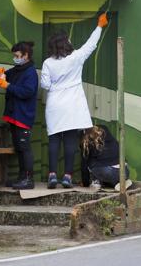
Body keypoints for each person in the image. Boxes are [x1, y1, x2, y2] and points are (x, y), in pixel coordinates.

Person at [40, 12, 108, 189]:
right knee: (70, 141)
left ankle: (52, 175)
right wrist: (99, 26)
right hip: (72, 105)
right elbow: (90, 45)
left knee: (54, 140)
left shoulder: (48, 63)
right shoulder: (76, 57)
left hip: (55, 104)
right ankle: (68, 177)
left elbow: (45, 85)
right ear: (65, 43)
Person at [0, 41, 39, 190]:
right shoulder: (17, 69)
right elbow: (7, 75)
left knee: (24, 147)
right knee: (19, 148)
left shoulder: (30, 72)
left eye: (17, 55)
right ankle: (21, 177)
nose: (15, 58)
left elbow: (27, 92)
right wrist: (1, 73)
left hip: (23, 116)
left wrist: (7, 85)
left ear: (26, 55)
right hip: (14, 114)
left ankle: (28, 179)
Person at [81, 125, 131, 191]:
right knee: (105, 163)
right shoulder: (113, 140)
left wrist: (85, 183)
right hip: (125, 172)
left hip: (109, 173)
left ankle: (96, 182)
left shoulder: (88, 141)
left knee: (90, 161)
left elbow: (84, 165)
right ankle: (119, 182)